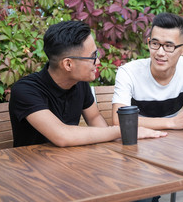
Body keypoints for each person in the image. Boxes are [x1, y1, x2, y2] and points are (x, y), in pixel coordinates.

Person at [112, 12, 183, 202]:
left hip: (177, 147)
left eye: (169, 46)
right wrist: (172, 122)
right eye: (155, 44)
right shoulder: (129, 72)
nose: (160, 52)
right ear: (148, 43)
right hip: (139, 153)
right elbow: (118, 120)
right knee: (144, 196)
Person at [9, 20, 167, 148]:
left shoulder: (78, 83)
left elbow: (94, 118)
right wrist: (123, 131)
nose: (98, 61)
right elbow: (62, 136)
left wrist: (119, 140)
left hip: (73, 165)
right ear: (68, 64)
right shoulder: (26, 91)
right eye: (93, 56)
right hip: (32, 174)